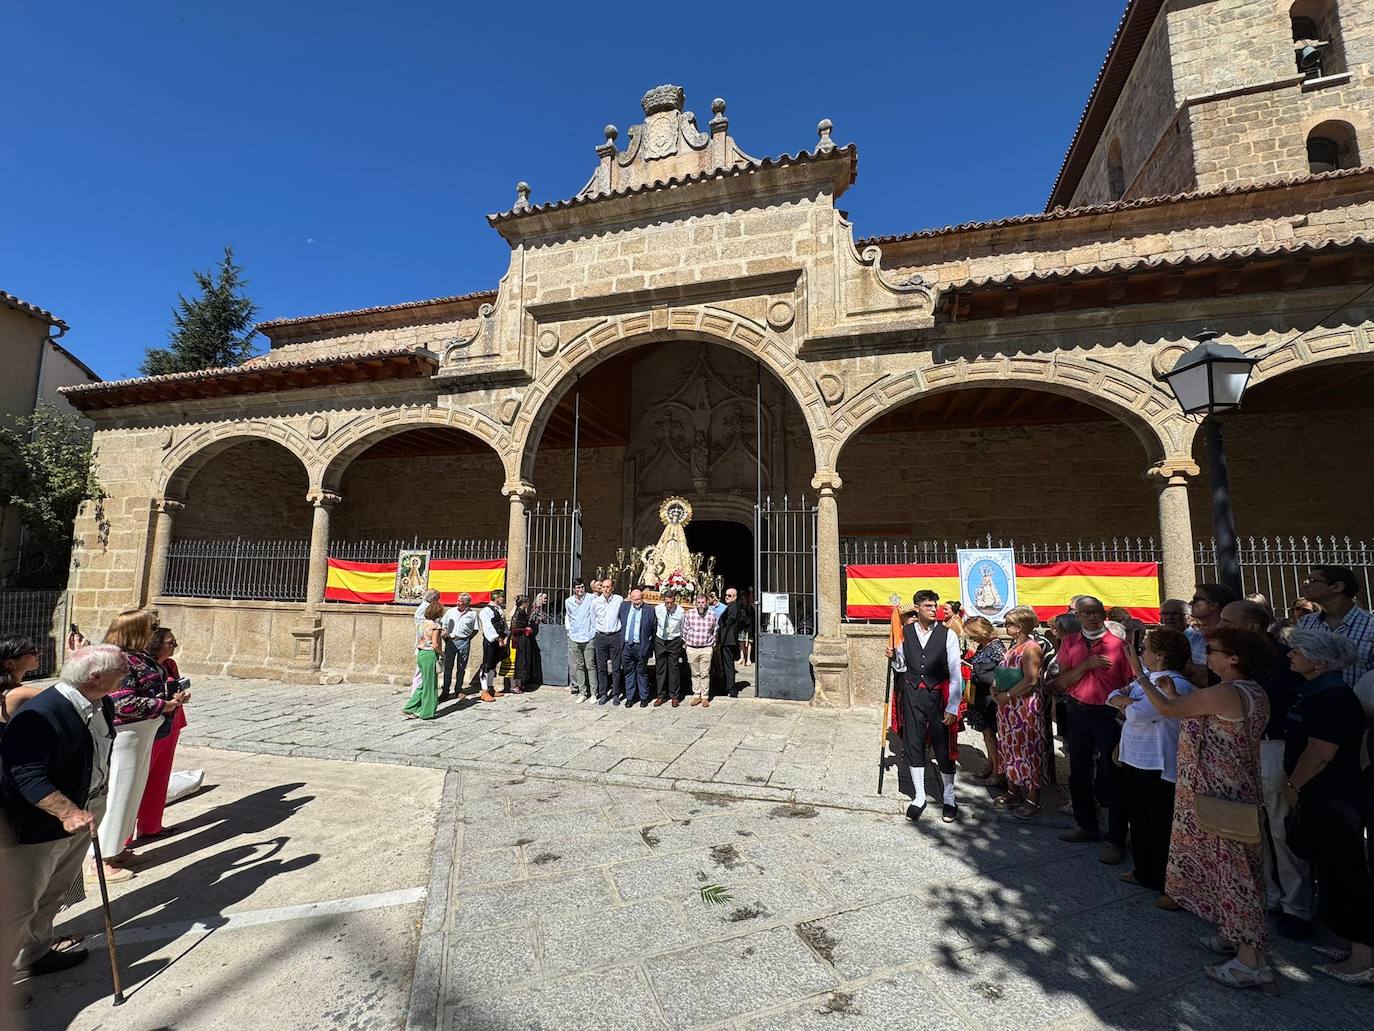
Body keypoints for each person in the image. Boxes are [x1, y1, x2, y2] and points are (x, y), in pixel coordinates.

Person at [1141, 627, 1273, 990]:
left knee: (1236, 874)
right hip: (1226, 790)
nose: (1206, 656)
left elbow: (1170, 709)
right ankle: (1232, 935)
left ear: (1234, 658)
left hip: (1221, 794)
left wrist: (1139, 676)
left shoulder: (1230, 691)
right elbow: (1197, 710)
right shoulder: (1247, 691)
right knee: (1228, 868)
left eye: (1213, 650)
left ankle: (1250, 961)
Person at [0, 645, 124, 990]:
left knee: (54, 891)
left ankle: (36, 953)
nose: (126, 675)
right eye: (122, 670)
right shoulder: (41, 713)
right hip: (39, 824)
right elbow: (23, 773)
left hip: (84, 812)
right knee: (18, 904)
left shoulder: (102, 702)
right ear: (96, 676)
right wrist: (67, 811)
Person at [1282, 629, 1374, 985]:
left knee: (1347, 873)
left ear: (1319, 662)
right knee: (1331, 871)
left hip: (1335, 798)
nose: (1290, 656)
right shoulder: (1316, 692)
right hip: (1321, 797)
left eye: (1298, 652)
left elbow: (1320, 753)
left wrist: (1293, 785)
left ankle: (1364, 956)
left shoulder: (1333, 698)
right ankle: (1349, 941)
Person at [1219, 599, 1313, 938]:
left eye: (1229, 621)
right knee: (1251, 827)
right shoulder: (1235, 658)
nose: (1221, 625)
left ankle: (1296, 905)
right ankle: (1267, 893)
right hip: (1241, 747)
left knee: (1279, 826)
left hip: (1273, 747)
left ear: (1253, 626)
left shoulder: (1282, 660)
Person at [1108, 627, 1193, 909]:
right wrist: (1124, 702)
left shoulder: (1173, 682)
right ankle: (1144, 871)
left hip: (1158, 763)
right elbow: (1112, 697)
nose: (1139, 653)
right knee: (1140, 819)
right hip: (1135, 758)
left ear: (1160, 655)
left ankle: (1170, 883)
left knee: (1161, 824)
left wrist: (1126, 704)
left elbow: (1140, 713)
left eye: (1144, 649)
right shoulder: (1143, 681)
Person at [93, 608, 180, 881]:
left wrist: (170, 698)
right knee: (118, 791)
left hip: (143, 732)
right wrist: (162, 704)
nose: (154, 631)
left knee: (132, 791)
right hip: (125, 734)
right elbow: (122, 702)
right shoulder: (121, 661)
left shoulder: (140, 658)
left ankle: (116, 848)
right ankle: (99, 861)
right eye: (151, 626)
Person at [1055, 595, 1134, 863]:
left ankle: (1116, 837)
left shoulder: (1119, 645)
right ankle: (1086, 824)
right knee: (1078, 772)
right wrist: (1086, 665)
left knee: (1113, 776)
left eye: (1096, 612)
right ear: (1077, 616)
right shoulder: (1069, 642)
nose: (1092, 617)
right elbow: (1062, 680)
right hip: (1078, 711)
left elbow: (1132, 683)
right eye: (1086, 613)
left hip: (1109, 715)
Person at [885, 589, 963, 823]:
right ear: (917, 608)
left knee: (942, 746)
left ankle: (949, 796)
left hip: (937, 696)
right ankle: (919, 796)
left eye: (935, 605)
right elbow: (900, 666)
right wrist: (892, 656)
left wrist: (952, 707)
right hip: (911, 693)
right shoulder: (905, 632)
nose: (933, 609)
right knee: (913, 743)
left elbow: (955, 672)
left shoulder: (947, 635)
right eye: (928, 605)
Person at [131, 627, 188, 842]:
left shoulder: (170, 664)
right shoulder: (139, 665)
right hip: (149, 724)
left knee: (160, 774)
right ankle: (122, 839)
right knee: (137, 778)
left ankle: (151, 825)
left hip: (171, 722)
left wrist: (180, 696)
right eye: (170, 642)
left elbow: (175, 686)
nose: (175, 645)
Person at [990, 606, 1045, 819]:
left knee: (1027, 748)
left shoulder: (1031, 648)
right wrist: (995, 689)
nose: (1005, 627)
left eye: (1008, 623)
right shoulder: (1014, 646)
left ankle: (1033, 798)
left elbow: (1031, 679)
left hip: (1024, 707)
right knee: (1009, 747)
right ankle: (1013, 789)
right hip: (1007, 708)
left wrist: (1008, 695)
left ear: (1019, 626)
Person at [1297, 565, 1374, 687]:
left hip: (1359, 703)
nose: (1304, 585)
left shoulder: (1370, 626)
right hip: (1314, 701)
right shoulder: (1305, 623)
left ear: (1337, 587)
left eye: (1311, 581)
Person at [962, 616, 1005, 786]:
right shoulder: (983, 646)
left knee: (991, 733)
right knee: (986, 734)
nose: (971, 637)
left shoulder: (996, 647)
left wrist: (979, 671)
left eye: (972, 633)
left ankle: (997, 771)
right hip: (979, 694)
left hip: (990, 697)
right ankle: (990, 763)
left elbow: (1001, 672)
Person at [1186, 583, 1241, 686]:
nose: (1191, 603)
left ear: (1213, 605)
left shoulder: (1234, 639)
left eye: (1196, 599)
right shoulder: (1192, 635)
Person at [403, 598, 444, 719]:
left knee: (423, 683)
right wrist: (443, 653)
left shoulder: (422, 623)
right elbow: (435, 644)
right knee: (431, 685)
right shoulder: (435, 626)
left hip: (421, 653)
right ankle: (427, 711)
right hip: (430, 654)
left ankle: (411, 707)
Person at [618, 587, 657, 707]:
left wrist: (649, 645)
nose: (637, 602)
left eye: (639, 599)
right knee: (628, 672)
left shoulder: (649, 610)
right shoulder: (624, 607)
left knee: (642, 672)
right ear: (630, 599)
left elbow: (654, 628)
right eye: (634, 600)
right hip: (627, 646)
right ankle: (630, 697)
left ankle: (643, 697)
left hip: (641, 645)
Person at [591, 578, 625, 705]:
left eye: (608, 587)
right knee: (602, 668)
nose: (605, 589)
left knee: (616, 668)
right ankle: (603, 693)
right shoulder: (595, 602)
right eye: (603, 587)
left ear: (612, 588)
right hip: (601, 636)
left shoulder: (619, 600)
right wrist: (600, 631)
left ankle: (616, 694)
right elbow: (593, 619)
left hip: (615, 636)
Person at [440, 593, 478, 701]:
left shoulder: (473, 614)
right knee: (448, 667)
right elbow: (444, 625)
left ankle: (458, 689)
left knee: (461, 667)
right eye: (458, 601)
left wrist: (467, 639)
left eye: (461, 602)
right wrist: (445, 635)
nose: (458, 603)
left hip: (464, 641)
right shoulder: (450, 612)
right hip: (451, 641)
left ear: (467, 603)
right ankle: (445, 690)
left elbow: (475, 629)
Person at [683, 592, 718, 707]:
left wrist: (712, 644)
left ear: (706, 603)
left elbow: (715, 630)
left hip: (706, 648)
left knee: (705, 673)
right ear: (695, 603)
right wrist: (686, 644)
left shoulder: (712, 615)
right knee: (695, 673)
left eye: (703, 602)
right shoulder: (689, 614)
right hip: (692, 648)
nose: (701, 605)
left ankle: (705, 696)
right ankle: (696, 695)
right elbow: (685, 629)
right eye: (699, 603)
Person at [564, 579, 596, 702]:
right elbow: (569, 617)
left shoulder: (591, 598)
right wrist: (569, 632)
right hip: (575, 636)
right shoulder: (569, 602)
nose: (580, 590)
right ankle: (582, 692)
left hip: (588, 636)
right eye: (577, 588)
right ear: (574, 589)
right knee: (579, 666)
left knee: (590, 665)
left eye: (582, 587)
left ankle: (593, 692)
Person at [653, 590, 686, 707]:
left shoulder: (681, 611)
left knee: (674, 669)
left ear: (674, 600)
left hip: (674, 640)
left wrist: (681, 640)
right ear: (664, 601)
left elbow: (682, 628)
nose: (669, 605)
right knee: (660, 669)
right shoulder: (658, 609)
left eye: (671, 602)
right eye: (667, 603)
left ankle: (674, 696)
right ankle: (660, 695)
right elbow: (655, 624)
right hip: (661, 640)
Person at [0, 635, 45, 722]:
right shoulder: (21, 694)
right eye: (33, 651)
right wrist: (74, 656)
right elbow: (63, 695)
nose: (39, 653)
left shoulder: (6, 691)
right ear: (9, 664)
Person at [476, 590, 508, 702]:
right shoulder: (486, 611)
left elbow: (503, 624)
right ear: (496, 598)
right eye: (501, 597)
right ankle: (484, 691)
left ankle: (490, 688)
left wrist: (506, 635)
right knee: (487, 665)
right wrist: (497, 638)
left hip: (499, 640)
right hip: (491, 641)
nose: (503, 599)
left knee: (493, 665)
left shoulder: (499, 609)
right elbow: (488, 627)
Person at [509, 595, 540, 694]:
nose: (529, 604)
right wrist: (525, 629)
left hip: (523, 639)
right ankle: (513, 685)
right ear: (524, 603)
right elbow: (514, 629)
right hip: (517, 640)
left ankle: (519, 683)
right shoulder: (517, 613)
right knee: (517, 662)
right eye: (527, 602)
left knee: (522, 661)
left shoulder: (523, 612)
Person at [717, 587, 742, 698]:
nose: (727, 597)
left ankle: (731, 689)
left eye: (730, 595)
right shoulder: (730, 606)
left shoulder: (733, 607)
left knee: (728, 665)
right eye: (726, 595)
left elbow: (728, 623)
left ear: (735, 597)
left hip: (728, 640)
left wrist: (721, 639)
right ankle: (727, 687)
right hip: (727, 640)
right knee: (725, 664)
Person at [738, 589, 755, 667]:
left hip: (749, 627)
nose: (743, 600)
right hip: (741, 627)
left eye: (744, 599)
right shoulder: (740, 607)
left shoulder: (750, 607)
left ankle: (748, 658)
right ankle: (742, 657)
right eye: (742, 599)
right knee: (741, 642)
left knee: (749, 643)